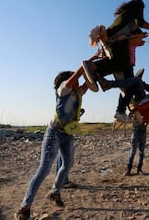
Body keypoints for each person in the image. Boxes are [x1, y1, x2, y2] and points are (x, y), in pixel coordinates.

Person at [14, 66, 90, 220]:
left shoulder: (76, 92)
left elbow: (88, 83)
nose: (78, 81)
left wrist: (98, 68)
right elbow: (79, 73)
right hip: (54, 132)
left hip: (67, 133)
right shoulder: (63, 89)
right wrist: (87, 63)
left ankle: (55, 192)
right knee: (44, 169)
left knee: (68, 164)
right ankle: (24, 208)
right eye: (74, 78)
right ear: (67, 80)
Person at [82, 0, 149, 122]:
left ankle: (120, 110)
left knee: (129, 84)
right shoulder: (134, 11)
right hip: (116, 41)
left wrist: (142, 35)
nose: (142, 12)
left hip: (114, 41)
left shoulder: (127, 18)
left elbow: (138, 33)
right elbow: (141, 23)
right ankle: (93, 67)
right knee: (122, 66)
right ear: (139, 7)